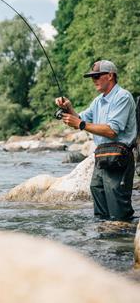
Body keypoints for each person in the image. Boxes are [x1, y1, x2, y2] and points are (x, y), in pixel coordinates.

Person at [55, 60, 137, 221]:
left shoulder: (123, 97)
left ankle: (122, 242)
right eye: (92, 77)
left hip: (119, 158)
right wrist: (69, 109)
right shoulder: (98, 101)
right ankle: (103, 241)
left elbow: (111, 131)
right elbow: (81, 119)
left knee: (118, 210)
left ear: (110, 76)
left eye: (97, 76)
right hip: (101, 157)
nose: (94, 80)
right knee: (98, 200)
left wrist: (81, 124)